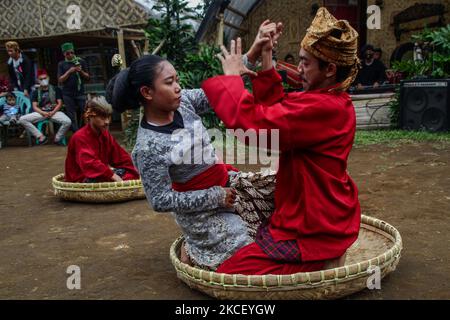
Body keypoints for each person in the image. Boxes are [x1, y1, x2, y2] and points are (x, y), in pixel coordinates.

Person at [107, 21, 282, 269]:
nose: (178, 87)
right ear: (147, 93)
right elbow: (160, 200)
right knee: (249, 257)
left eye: (177, 79)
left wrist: (253, 52)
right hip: (204, 211)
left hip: (227, 183)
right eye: (169, 82)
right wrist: (214, 197)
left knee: (286, 195)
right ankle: (196, 245)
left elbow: (218, 92)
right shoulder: (148, 147)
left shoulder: (184, 101)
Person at [201, 7, 361, 275]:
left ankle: (319, 262)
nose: (298, 68)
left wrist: (232, 78)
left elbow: (257, 126)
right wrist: (266, 57)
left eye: (305, 62)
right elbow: (279, 107)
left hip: (314, 221)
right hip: (308, 205)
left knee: (232, 270)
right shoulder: (327, 99)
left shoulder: (324, 107)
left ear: (331, 69)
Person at [64, 96, 139, 183]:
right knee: (107, 178)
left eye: (108, 117)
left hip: (101, 174)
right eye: (102, 118)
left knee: (132, 173)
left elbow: (121, 157)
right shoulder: (80, 137)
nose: (107, 122)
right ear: (91, 116)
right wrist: (112, 175)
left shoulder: (105, 135)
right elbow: (90, 163)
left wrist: (136, 168)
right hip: (82, 177)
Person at [18, 69, 71, 146]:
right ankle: (41, 137)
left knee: (67, 122)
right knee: (22, 119)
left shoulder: (56, 89)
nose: (43, 80)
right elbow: (35, 106)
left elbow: (59, 103)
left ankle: (58, 138)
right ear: (38, 81)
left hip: (54, 112)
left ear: (48, 78)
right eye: (41, 79)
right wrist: (43, 113)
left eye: (45, 78)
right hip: (41, 113)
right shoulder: (36, 92)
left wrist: (52, 112)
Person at [57, 42, 90, 132]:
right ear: (64, 54)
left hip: (80, 92)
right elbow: (60, 80)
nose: (70, 55)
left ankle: (86, 131)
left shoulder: (81, 61)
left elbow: (88, 77)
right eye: (68, 53)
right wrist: (69, 71)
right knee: (71, 114)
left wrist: (81, 71)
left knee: (84, 112)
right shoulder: (62, 64)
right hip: (67, 93)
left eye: (72, 52)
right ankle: (76, 132)